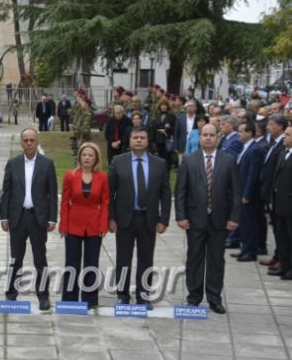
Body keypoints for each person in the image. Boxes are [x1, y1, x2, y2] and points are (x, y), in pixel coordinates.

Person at [175, 123, 241, 314]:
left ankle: (214, 298)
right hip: (195, 219)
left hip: (220, 219)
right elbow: (180, 191)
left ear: (218, 138)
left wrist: (234, 217)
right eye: (205, 135)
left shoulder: (228, 161)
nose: (208, 138)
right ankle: (194, 297)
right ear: (200, 137)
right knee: (194, 258)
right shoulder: (189, 160)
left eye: (212, 135)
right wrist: (181, 216)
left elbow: (236, 192)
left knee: (216, 260)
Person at [108, 126, 171, 308]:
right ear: (129, 140)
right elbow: (110, 193)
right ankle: (123, 295)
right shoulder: (118, 161)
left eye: (142, 137)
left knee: (146, 258)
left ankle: (143, 296)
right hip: (125, 219)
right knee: (123, 259)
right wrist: (111, 218)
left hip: (148, 219)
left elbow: (165, 194)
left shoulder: (159, 163)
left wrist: (164, 219)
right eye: (135, 137)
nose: (138, 140)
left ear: (147, 140)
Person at [0, 128, 57, 310]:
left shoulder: (47, 164)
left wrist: (52, 218)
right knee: (16, 258)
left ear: (37, 142)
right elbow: (6, 192)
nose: (29, 143)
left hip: (38, 218)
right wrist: (4, 216)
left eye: (32, 140)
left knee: (40, 259)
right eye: (26, 140)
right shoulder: (13, 163)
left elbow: (53, 194)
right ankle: (11, 294)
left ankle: (43, 296)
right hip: (17, 217)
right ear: (21, 143)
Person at [58, 142, 109, 309]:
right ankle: (69, 299)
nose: (87, 158)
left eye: (91, 155)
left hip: (94, 226)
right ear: (79, 156)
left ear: (96, 159)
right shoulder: (70, 175)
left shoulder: (102, 177)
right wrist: (63, 226)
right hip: (73, 224)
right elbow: (65, 202)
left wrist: (103, 226)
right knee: (71, 262)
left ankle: (90, 300)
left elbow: (105, 203)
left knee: (91, 263)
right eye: (84, 154)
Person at [231, 121, 264, 262]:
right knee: (243, 223)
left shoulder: (255, 149)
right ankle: (244, 249)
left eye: (241, 131)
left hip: (248, 194)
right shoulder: (246, 147)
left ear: (250, 133)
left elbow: (253, 175)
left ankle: (251, 251)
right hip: (240, 190)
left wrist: (247, 194)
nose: (238, 133)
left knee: (249, 223)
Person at [259, 114, 287, 269]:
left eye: (271, 124)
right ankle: (278, 256)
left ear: (280, 127)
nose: (268, 127)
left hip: (279, 194)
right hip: (270, 192)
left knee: (281, 230)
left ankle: (283, 259)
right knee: (277, 229)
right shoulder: (274, 143)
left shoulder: (283, 145)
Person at [270, 126, 292, 280]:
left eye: (288, 135)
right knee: (282, 237)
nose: (284, 137)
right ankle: (284, 265)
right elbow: (275, 178)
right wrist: (272, 199)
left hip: (290, 204)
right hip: (279, 203)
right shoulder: (283, 153)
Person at [151, 100, 176, 171]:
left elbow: (175, 128)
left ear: (167, 107)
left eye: (165, 105)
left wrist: (169, 127)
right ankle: (160, 170)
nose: (163, 107)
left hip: (167, 139)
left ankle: (167, 171)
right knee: (159, 156)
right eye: (162, 105)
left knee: (167, 156)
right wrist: (153, 140)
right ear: (159, 107)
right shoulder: (157, 116)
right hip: (158, 139)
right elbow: (153, 128)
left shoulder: (172, 116)